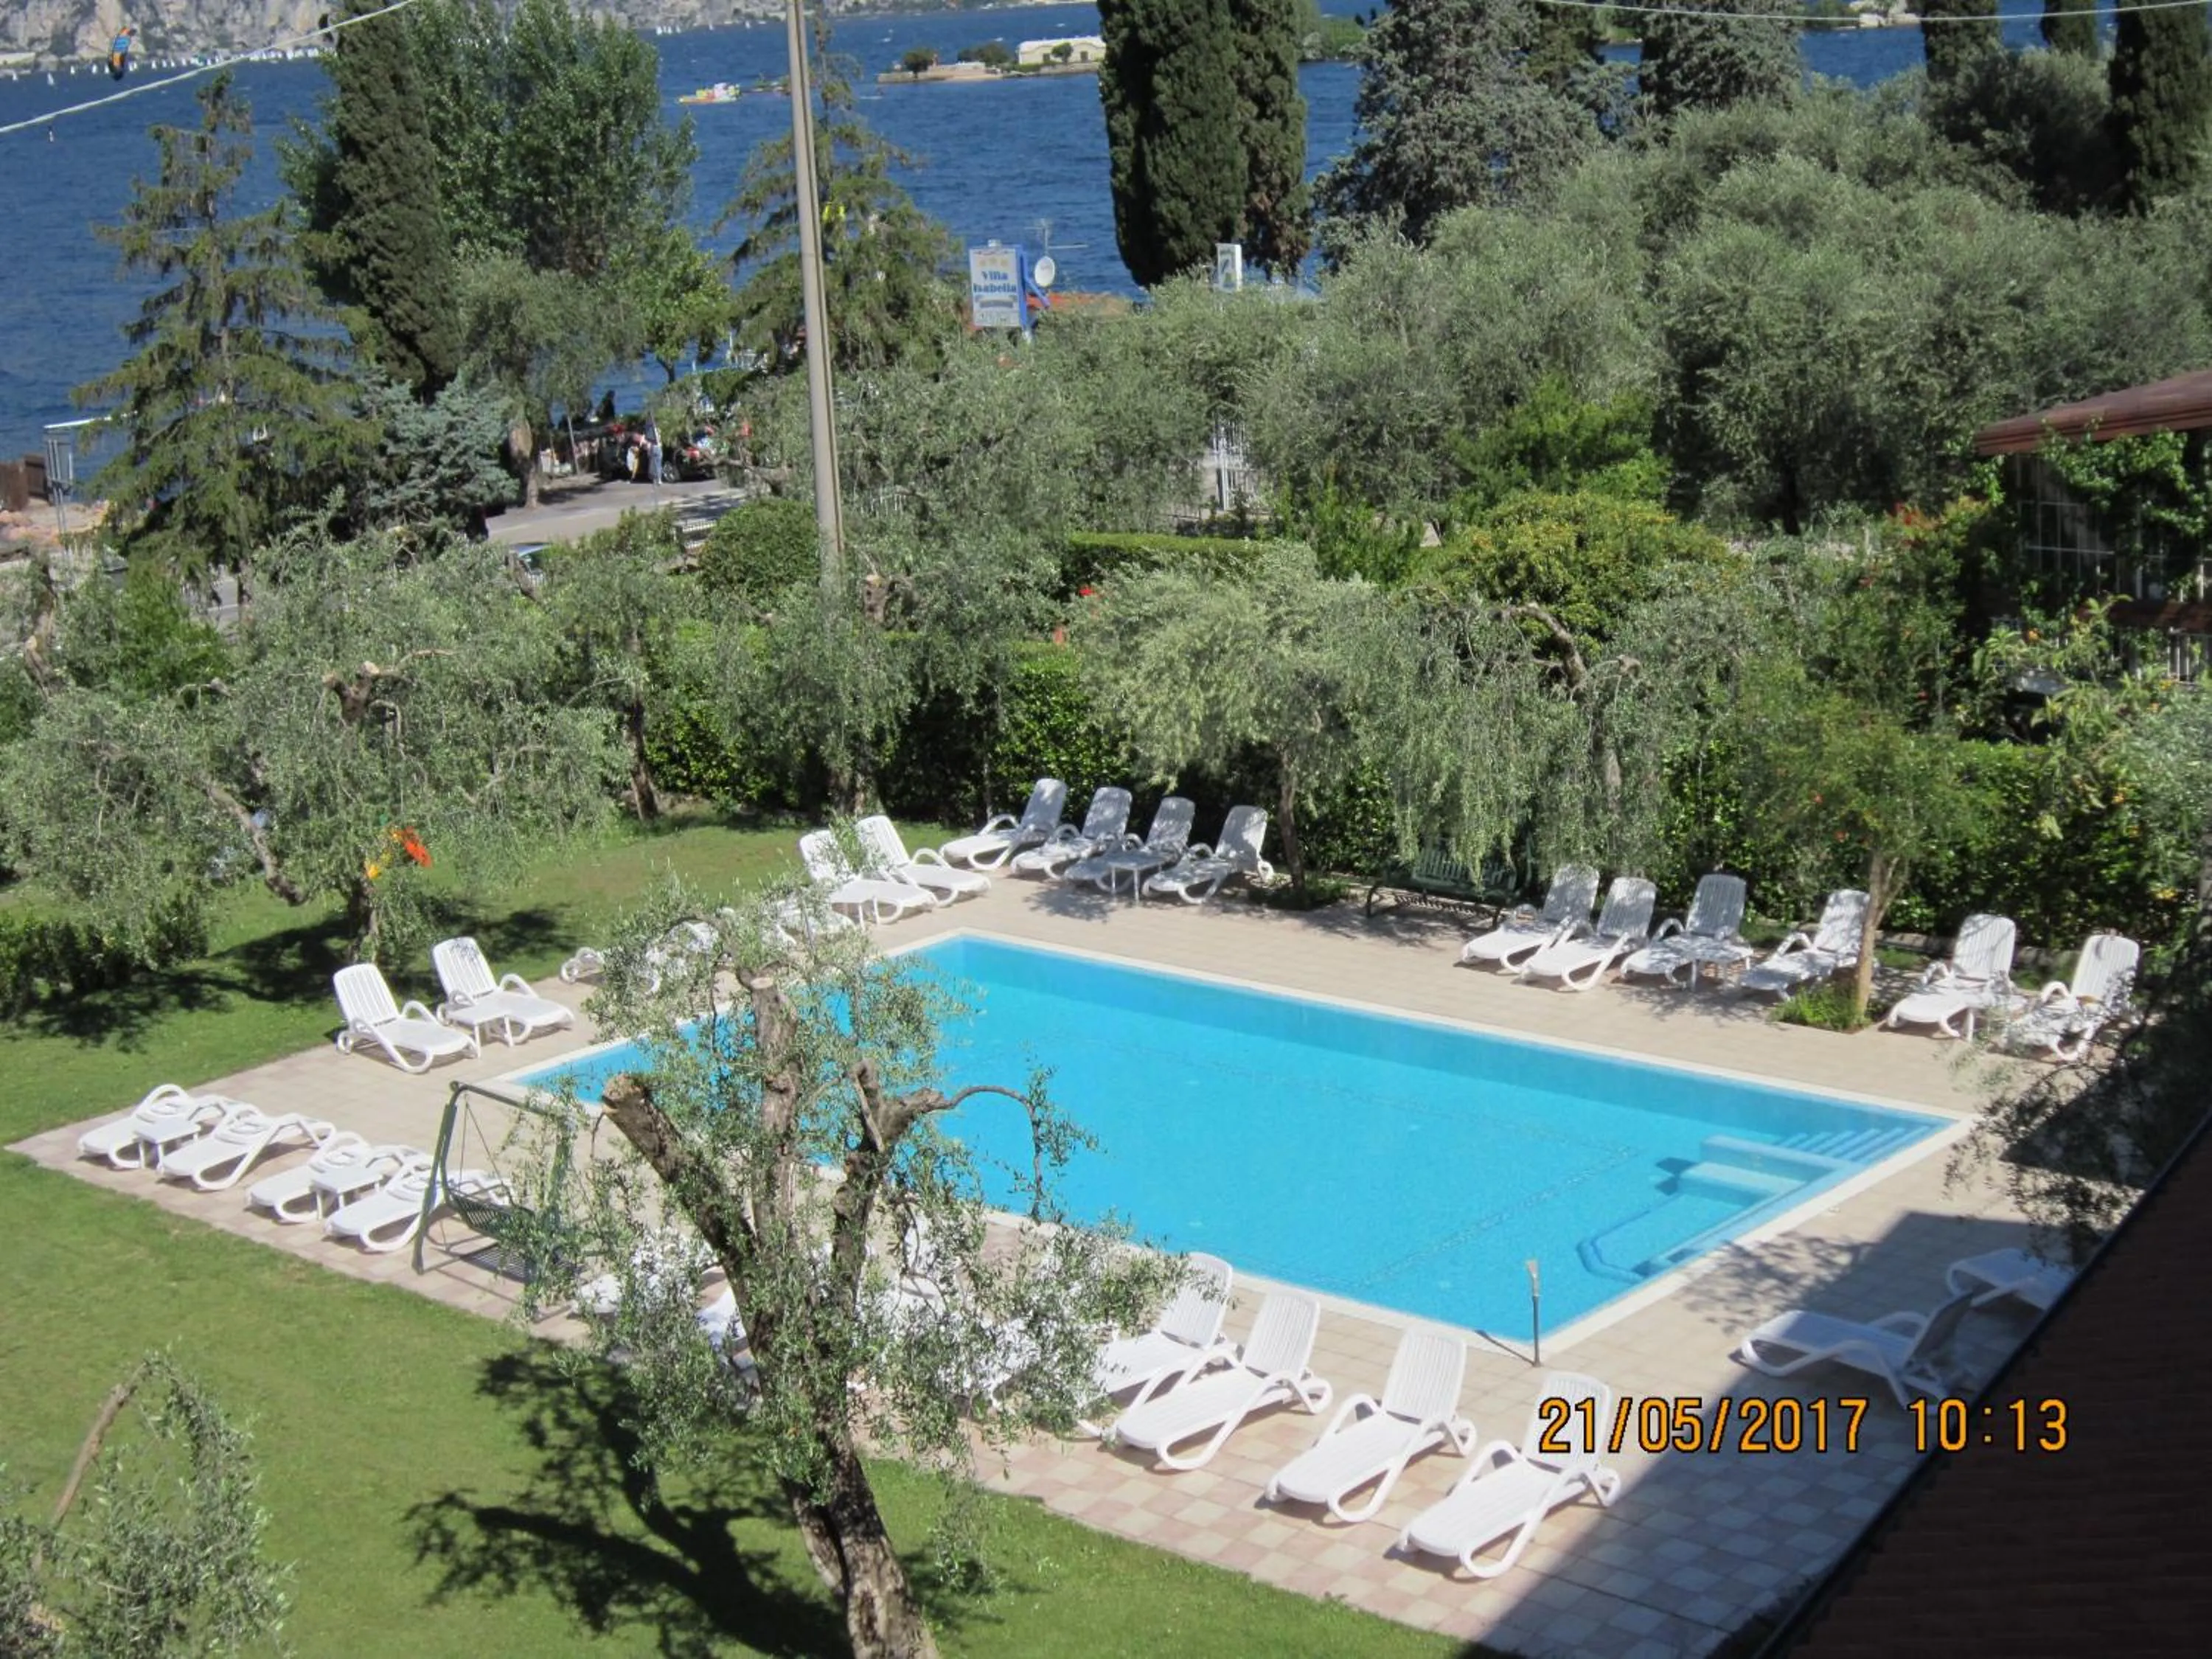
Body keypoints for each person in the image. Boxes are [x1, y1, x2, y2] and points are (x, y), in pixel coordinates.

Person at [644, 415, 664, 488]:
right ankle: (659, 479)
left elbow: (649, 442)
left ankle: (655, 479)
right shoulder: (658, 430)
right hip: (659, 447)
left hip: (653, 448)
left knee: (653, 464)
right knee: (659, 464)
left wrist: (648, 451)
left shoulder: (650, 431)